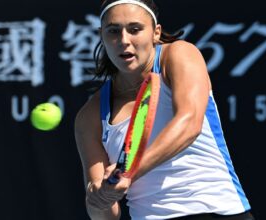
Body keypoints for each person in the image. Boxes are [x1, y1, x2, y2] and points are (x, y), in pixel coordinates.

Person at [74, 0, 254, 219]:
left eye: (135, 29)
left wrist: (129, 172)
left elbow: (189, 124)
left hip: (214, 210)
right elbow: (105, 215)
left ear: (155, 33)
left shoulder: (179, 55)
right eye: (113, 31)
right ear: (101, 35)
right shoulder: (89, 116)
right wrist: (100, 197)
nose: (124, 40)